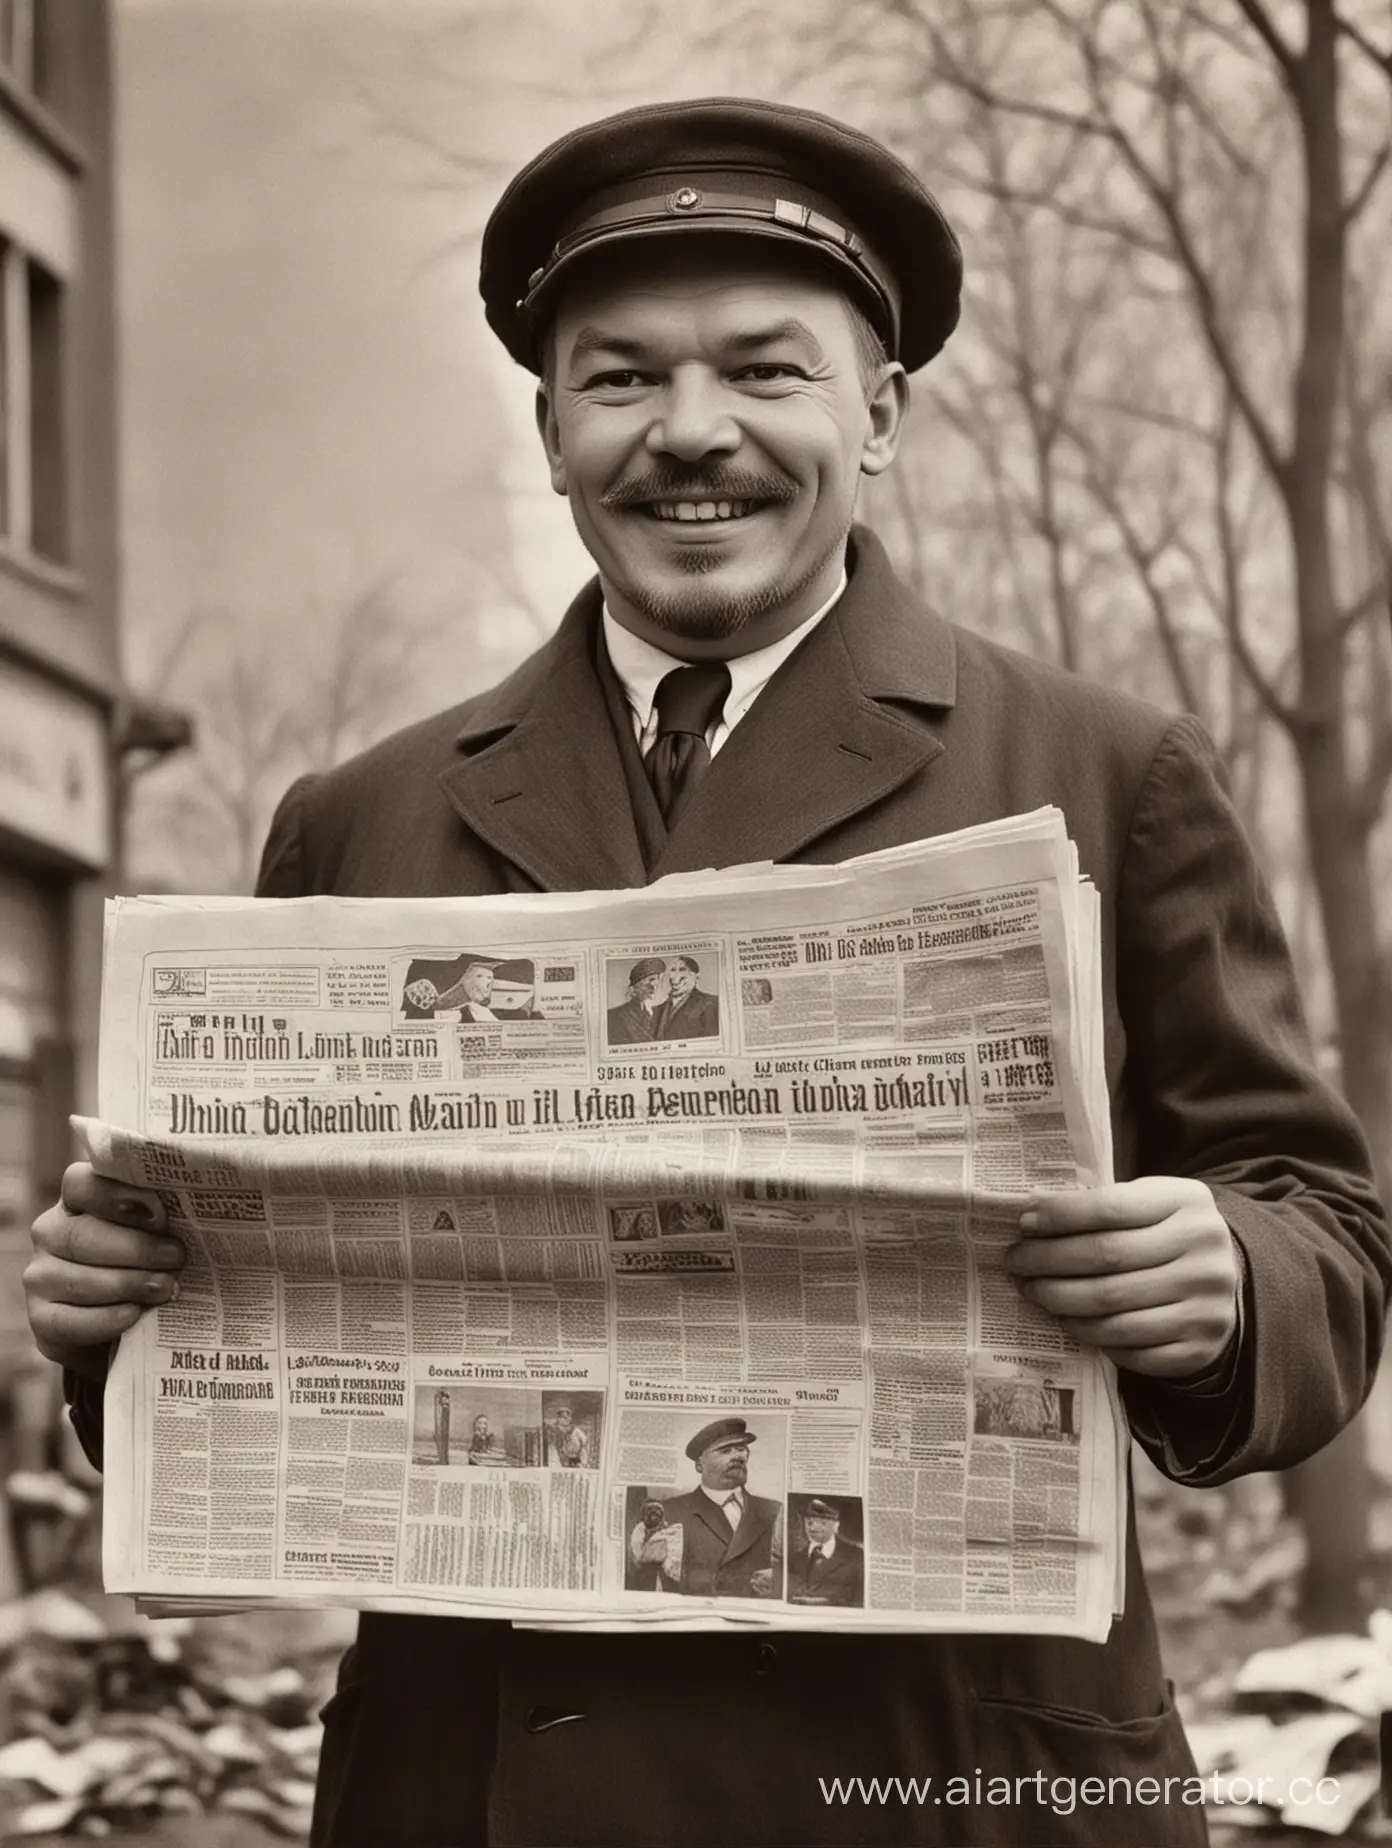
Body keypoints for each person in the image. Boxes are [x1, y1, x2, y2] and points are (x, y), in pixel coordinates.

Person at [25, 95, 1389, 1848]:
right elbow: (239, 1317)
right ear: (548, 431)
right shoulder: (353, 816)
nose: (691, 434)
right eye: (618, 380)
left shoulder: (1109, 766)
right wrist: (106, 1318)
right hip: (473, 1787)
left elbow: (1329, 1232)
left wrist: (1229, 1275)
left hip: (942, 1785)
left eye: (764, 371)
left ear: (875, 414)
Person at [628, 1417, 782, 1599]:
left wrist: (780, 1583)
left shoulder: (776, 1512)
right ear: (700, 1465)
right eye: (725, 1451)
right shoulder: (664, 1512)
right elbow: (635, 1588)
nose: (738, 1456)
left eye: (741, 1449)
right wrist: (647, 1564)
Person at [787, 1497, 864, 1607]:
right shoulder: (795, 1557)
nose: (813, 1528)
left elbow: (859, 1602)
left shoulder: (855, 1556)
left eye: (822, 1523)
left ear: (835, 1525)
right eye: (809, 1522)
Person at [605, 955, 669, 1045]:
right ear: (635, 988)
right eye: (648, 982)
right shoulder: (615, 1016)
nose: (653, 987)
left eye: (655, 980)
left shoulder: (663, 1012)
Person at [657, 954, 719, 1039]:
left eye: (682, 969)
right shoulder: (658, 1010)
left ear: (696, 977)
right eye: (672, 970)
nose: (675, 975)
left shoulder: (710, 1003)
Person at [543, 1402, 590, 1469]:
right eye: (563, 1417)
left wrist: (582, 1458)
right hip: (557, 1459)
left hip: (574, 1459)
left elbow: (585, 1442)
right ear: (558, 1418)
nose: (566, 1419)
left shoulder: (575, 1430)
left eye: (567, 1417)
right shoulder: (553, 1430)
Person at [431, 1387, 451, 1467]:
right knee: (440, 1442)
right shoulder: (439, 1406)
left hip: (444, 1429)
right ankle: (443, 1460)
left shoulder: (446, 1408)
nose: (446, 1401)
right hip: (441, 1429)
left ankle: (444, 1460)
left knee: (443, 1443)